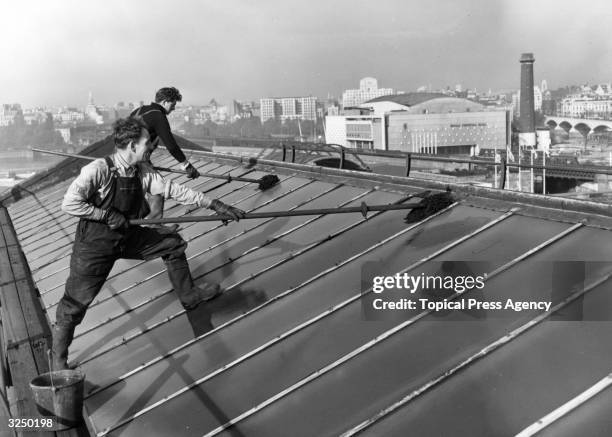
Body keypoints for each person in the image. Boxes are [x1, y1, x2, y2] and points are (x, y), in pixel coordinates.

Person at [51, 117, 245, 370]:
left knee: (172, 244)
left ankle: (190, 296)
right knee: (74, 306)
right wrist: (105, 214)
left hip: (128, 237)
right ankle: (57, 361)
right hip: (94, 247)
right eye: (146, 143)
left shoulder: (141, 171)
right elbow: (69, 203)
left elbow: (172, 189)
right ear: (132, 145)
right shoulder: (99, 169)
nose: (150, 148)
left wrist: (214, 204)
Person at [131, 86, 199, 221]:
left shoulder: (138, 111)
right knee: (158, 191)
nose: (173, 109)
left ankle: (151, 223)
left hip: (126, 159)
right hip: (137, 163)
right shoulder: (158, 116)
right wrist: (186, 165)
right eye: (173, 105)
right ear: (165, 102)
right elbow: (171, 145)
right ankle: (153, 225)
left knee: (152, 192)